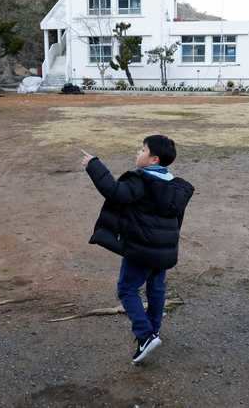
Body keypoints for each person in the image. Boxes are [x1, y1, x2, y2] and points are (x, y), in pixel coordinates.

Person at [81, 135, 194, 364]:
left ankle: (144, 335)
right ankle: (154, 331)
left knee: (126, 289)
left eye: (142, 150)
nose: (137, 152)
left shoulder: (141, 182)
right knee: (156, 289)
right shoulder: (174, 186)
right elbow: (177, 221)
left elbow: (114, 191)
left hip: (141, 249)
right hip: (162, 251)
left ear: (153, 159)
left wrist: (93, 165)